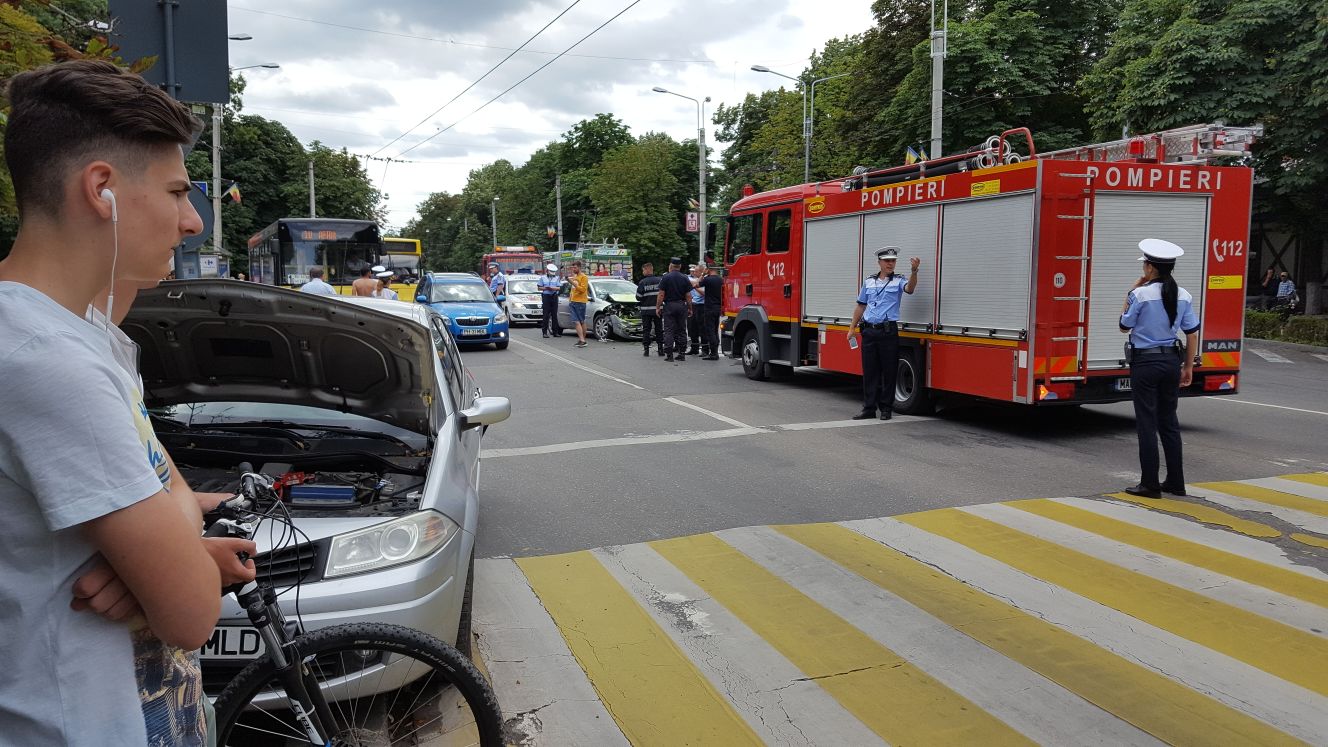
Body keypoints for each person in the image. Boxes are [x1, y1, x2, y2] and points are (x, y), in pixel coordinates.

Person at [0, 59, 224, 745]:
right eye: (178, 191)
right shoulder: (44, 360)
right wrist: (174, 568)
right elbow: (191, 612)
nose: (192, 222)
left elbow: (173, 487)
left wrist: (159, 556)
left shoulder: (85, 338)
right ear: (102, 189)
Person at [1119, 238, 1200, 499]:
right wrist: (1188, 366)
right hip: (1170, 363)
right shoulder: (1184, 295)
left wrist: (1131, 289)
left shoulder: (1140, 294)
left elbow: (1123, 325)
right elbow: (1192, 334)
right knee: (1169, 422)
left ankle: (1150, 484)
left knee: (1146, 423)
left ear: (1151, 268)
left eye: (1145, 265)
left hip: (1146, 363)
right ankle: (1176, 482)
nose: (1143, 269)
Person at [846, 246, 920, 420]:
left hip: (888, 332)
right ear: (879, 262)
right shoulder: (869, 281)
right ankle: (869, 408)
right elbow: (861, 305)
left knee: (889, 371)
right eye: (887, 261)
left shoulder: (899, 280)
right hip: (869, 331)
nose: (890, 264)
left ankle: (886, 409)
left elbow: (910, 289)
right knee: (870, 371)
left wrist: (914, 271)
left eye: (893, 261)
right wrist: (852, 328)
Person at [656, 257, 693, 362]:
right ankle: (682, 353)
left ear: (671, 266)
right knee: (682, 330)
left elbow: (661, 294)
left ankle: (669, 355)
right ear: (680, 266)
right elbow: (688, 295)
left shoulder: (666, 277)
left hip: (669, 306)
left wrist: (658, 307)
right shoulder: (685, 277)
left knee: (669, 330)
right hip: (681, 305)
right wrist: (690, 308)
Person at [636, 262, 663, 356]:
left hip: (646, 310)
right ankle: (660, 349)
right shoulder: (660, 281)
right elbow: (663, 294)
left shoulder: (642, 282)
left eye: (643, 270)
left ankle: (646, 350)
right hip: (658, 309)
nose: (643, 272)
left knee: (646, 329)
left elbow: (638, 297)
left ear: (647, 270)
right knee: (659, 329)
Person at [699, 263, 723, 360]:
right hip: (718, 307)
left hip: (709, 308)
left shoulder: (707, 279)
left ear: (709, 269)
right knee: (715, 330)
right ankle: (715, 350)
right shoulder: (721, 280)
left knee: (710, 330)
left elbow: (698, 284)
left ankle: (713, 353)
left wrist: (702, 274)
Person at [567, 260, 590, 347]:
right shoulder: (575, 276)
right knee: (580, 321)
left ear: (579, 267)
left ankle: (582, 340)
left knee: (578, 322)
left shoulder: (583, 277)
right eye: (572, 267)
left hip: (580, 302)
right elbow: (573, 290)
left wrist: (572, 282)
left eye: (575, 267)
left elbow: (583, 290)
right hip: (573, 301)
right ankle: (582, 340)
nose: (573, 269)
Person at [539, 263, 563, 338]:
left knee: (554, 315)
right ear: (547, 271)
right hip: (546, 296)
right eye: (551, 271)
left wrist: (552, 288)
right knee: (546, 314)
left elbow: (559, 288)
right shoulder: (542, 278)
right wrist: (546, 288)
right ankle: (544, 332)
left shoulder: (557, 278)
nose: (552, 273)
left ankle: (555, 332)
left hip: (554, 296)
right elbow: (539, 288)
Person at [687, 264, 704, 356]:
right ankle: (694, 348)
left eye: (696, 271)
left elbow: (704, 293)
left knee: (702, 328)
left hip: (701, 306)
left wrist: (695, 287)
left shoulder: (704, 280)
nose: (693, 272)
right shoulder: (694, 280)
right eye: (693, 271)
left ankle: (705, 349)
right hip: (693, 304)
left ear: (701, 272)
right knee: (692, 327)